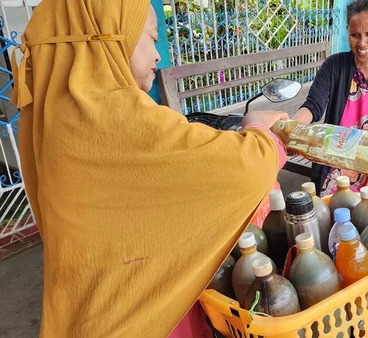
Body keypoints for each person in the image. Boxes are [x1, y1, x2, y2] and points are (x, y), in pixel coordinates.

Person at [10, 0, 288, 336]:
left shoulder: (52, 119)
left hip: (85, 315)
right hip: (143, 320)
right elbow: (247, 170)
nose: (158, 55)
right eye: (152, 38)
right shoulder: (114, 115)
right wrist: (258, 129)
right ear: (112, 37)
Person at [293, 0, 368, 203]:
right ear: (348, 32)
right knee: (332, 207)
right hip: (336, 159)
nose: (362, 43)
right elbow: (314, 105)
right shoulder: (333, 65)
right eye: (355, 35)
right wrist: (292, 127)